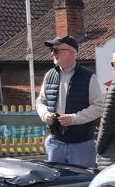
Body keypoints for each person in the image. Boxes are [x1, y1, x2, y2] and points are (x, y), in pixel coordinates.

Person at [35, 35, 104, 168]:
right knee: (54, 185)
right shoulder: (49, 75)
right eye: (52, 50)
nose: (53, 54)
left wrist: (74, 119)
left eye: (56, 50)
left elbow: (99, 106)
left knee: (81, 183)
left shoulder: (89, 77)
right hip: (55, 141)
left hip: (81, 143)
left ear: (71, 52)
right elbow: (40, 102)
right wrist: (45, 115)